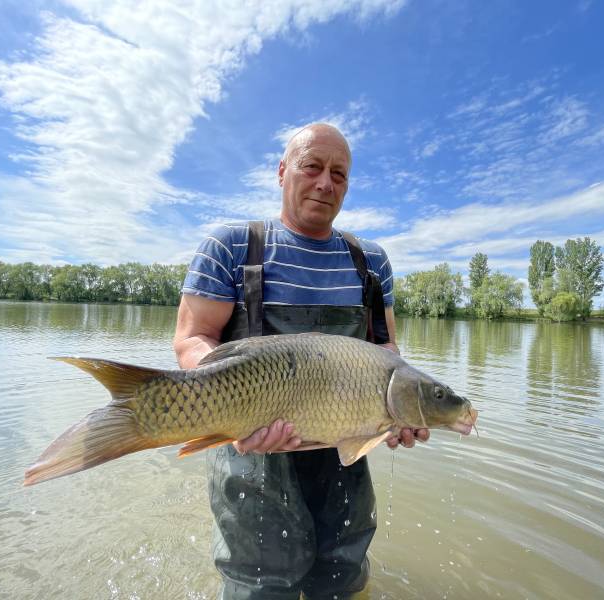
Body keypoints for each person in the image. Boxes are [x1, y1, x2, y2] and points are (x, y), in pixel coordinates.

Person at [173, 123, 429, 599]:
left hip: (346, 457)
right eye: (312, 166)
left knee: (344, 580)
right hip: (251, 454)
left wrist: (403, 409)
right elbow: (193, 339)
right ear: (282, 171)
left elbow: (386, 350)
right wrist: (233, 410)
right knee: (259, 587)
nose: (325, 183)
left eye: (340, 174)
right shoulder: (231, 245)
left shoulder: (371, 261)